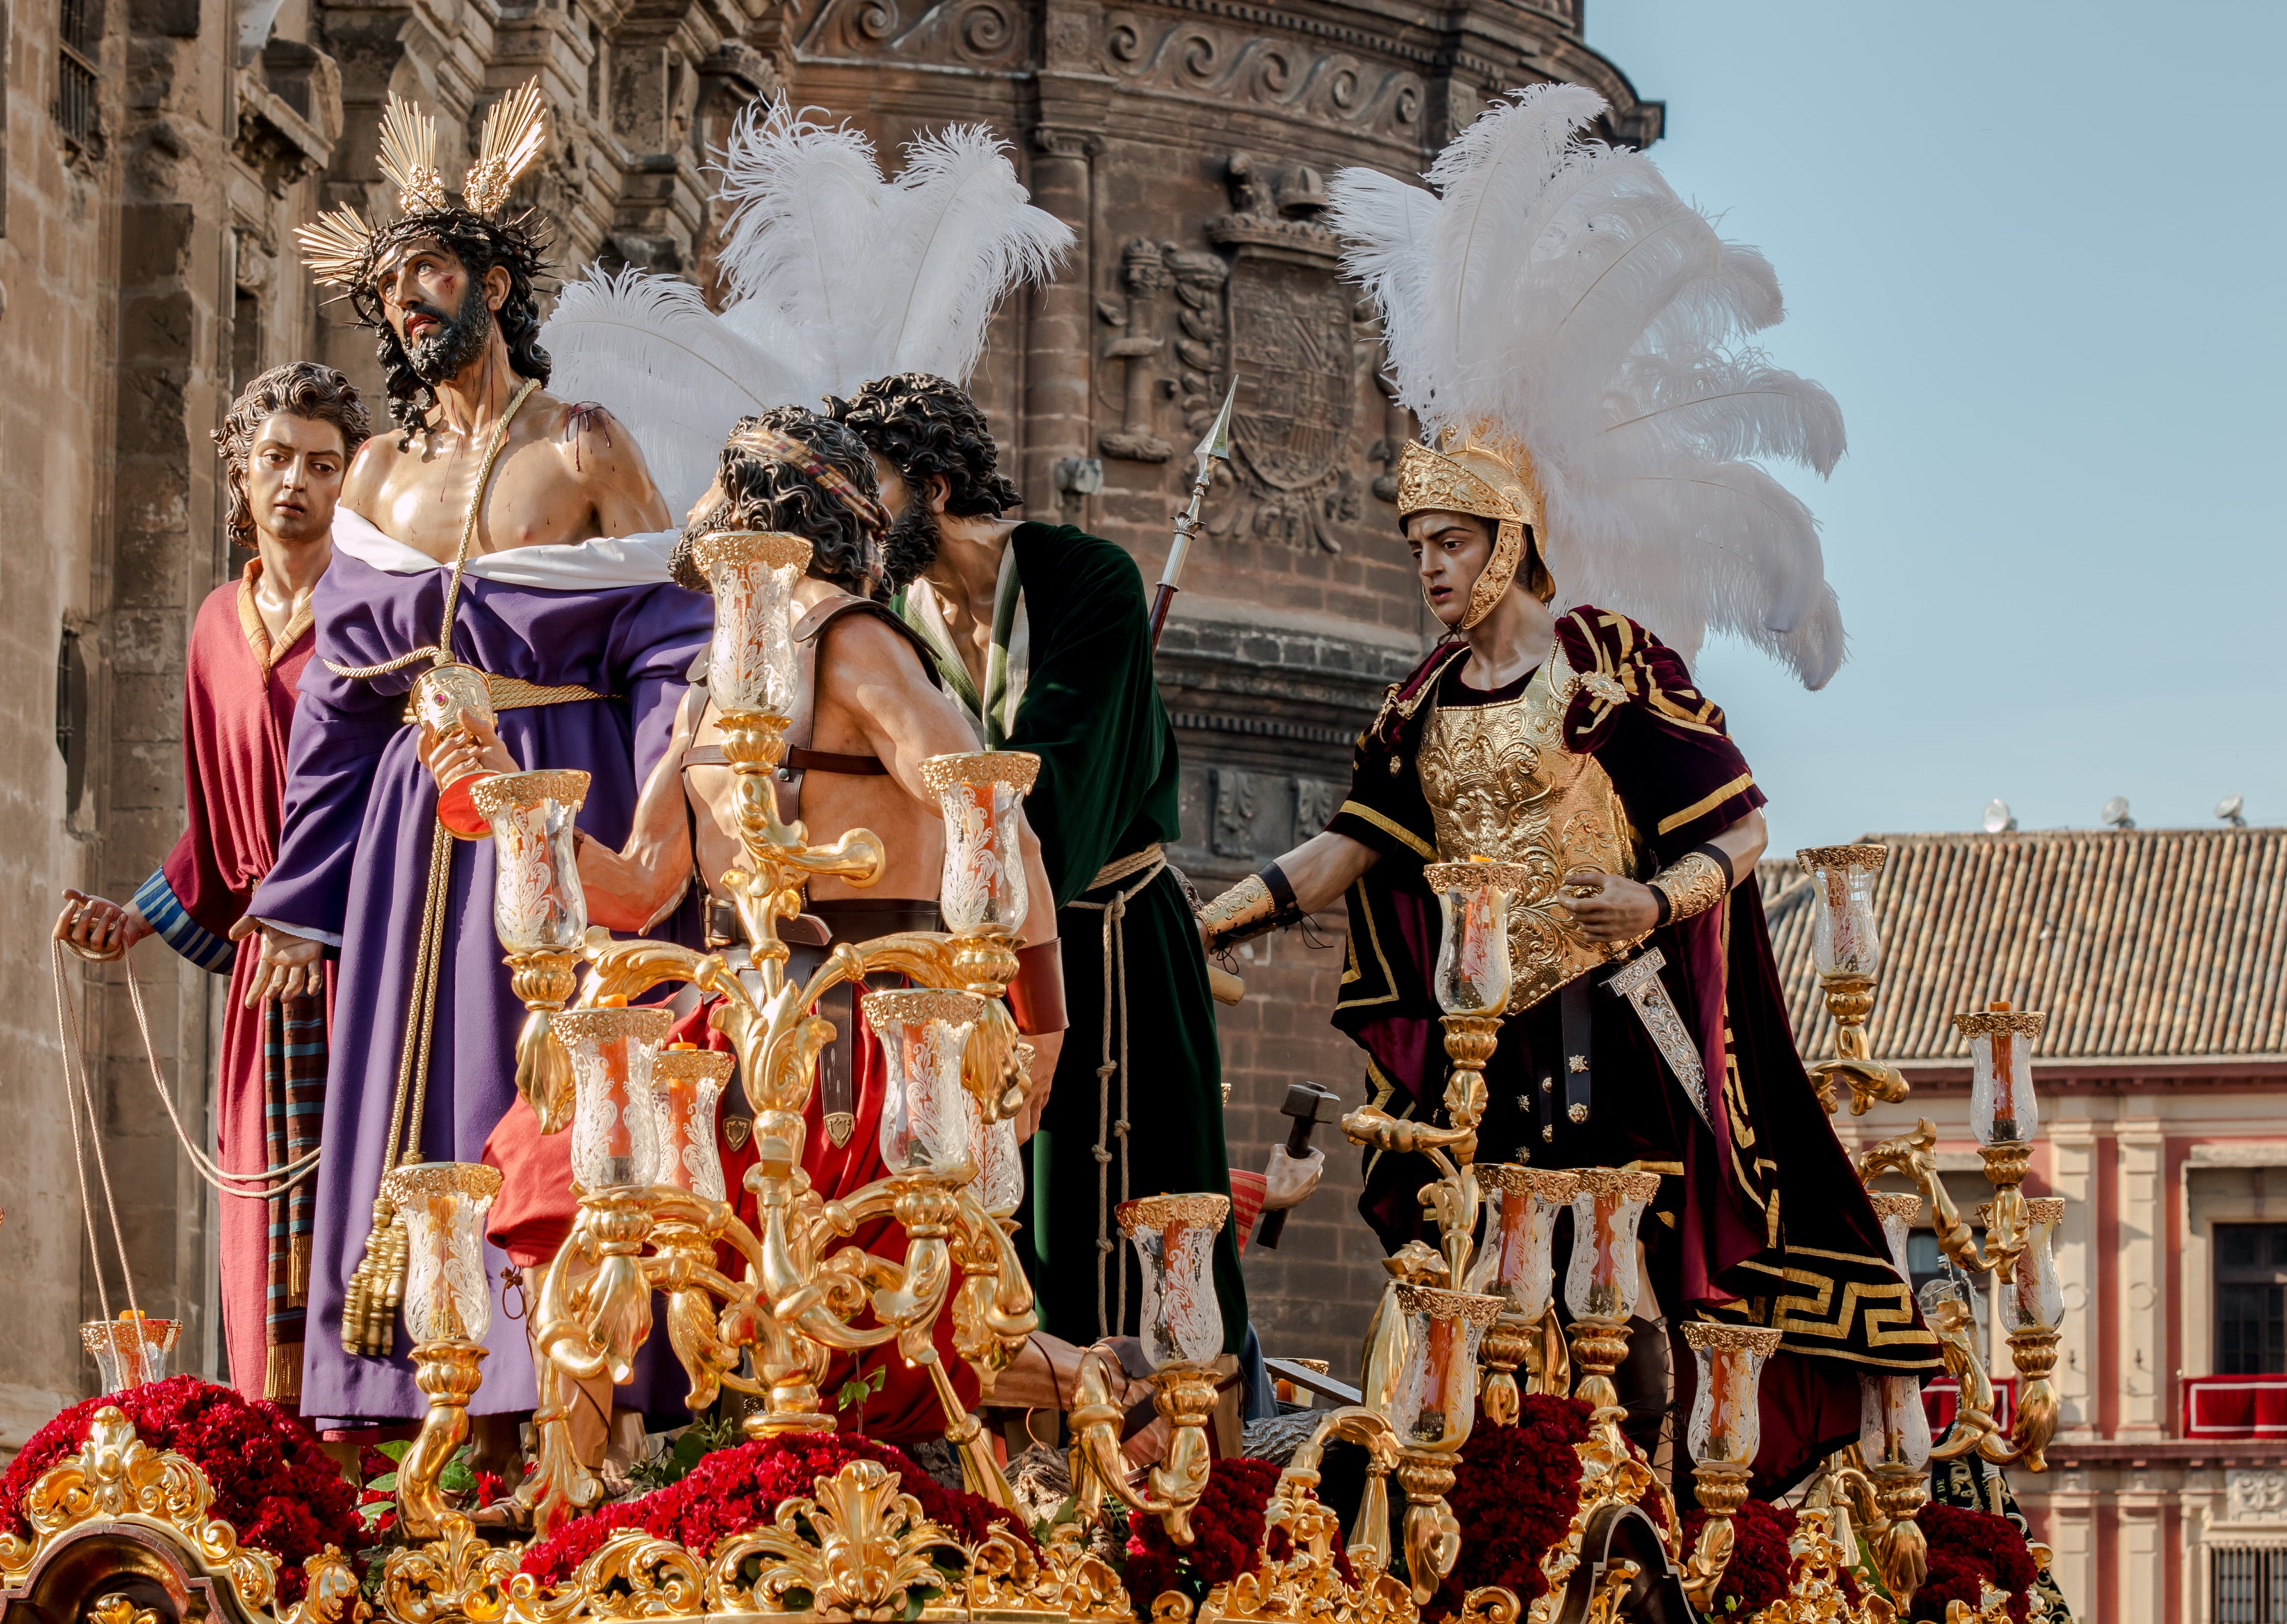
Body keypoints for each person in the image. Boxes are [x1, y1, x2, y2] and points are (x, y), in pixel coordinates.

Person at [1195, 85, 1935, 1493]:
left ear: (1513, 537)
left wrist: (1649, 894)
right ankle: (1491, 1501)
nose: (1430, 565)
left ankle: (1645, 1491)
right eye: (1418, 541)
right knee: (1474, 1275)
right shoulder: (1417, 696)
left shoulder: (1606, 667)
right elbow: (1349, 847)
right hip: (1481, 1028)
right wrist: (1206, 924)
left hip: (1613, 1008)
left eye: (1453, 539)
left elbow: (1742, 822)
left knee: (1618, 1277)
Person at [466, 406, 1069, 1443]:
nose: (689, 510)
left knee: (883, 1334)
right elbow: (638, 886)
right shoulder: (718, 670)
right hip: (732, 1016)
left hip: (864, 1023)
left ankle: (1124, 1395)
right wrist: (502, 791)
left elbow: (995, 817)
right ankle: (567, 1506)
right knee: (551, 1175)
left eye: (710, 486)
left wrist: (1037, 1018)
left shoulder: (857, 640)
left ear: (760, 502)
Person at [253, 86, 710, 1433]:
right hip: (413, 826)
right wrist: (296, 893)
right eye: (392, 281)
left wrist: (662, 829)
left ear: (497, 282)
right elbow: (338, 699)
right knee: (410, 1084)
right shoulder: (382, 475)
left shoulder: (585, 446)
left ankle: (561, 1388)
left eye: (434, 271)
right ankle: (410, 1402)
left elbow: (674, 639)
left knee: (538, 1079)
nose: (409, 300)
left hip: (559, 790)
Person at [828, 375, 1249, 1357]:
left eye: (872, 488)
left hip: (1111, 949)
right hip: (962, 962)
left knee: (1136, 1237)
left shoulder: (1085, 578)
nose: (854, 515)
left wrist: (971, 890)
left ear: (933, 487)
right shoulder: (885, 616)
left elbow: (1065, 786)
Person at [55, 361, 371, 1403]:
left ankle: (376, 1463)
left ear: (348, 482)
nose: (297, 482)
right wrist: (138, 917)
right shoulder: (208, 627)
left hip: (360, 963)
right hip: (260, 982)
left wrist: (318, 913)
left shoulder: (376, 618)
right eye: (276, 458)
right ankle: (279, 1449)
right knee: (262, 1231)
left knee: (361, 1217)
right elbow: (215, 820)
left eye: (323, 465)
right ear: (240, 471)